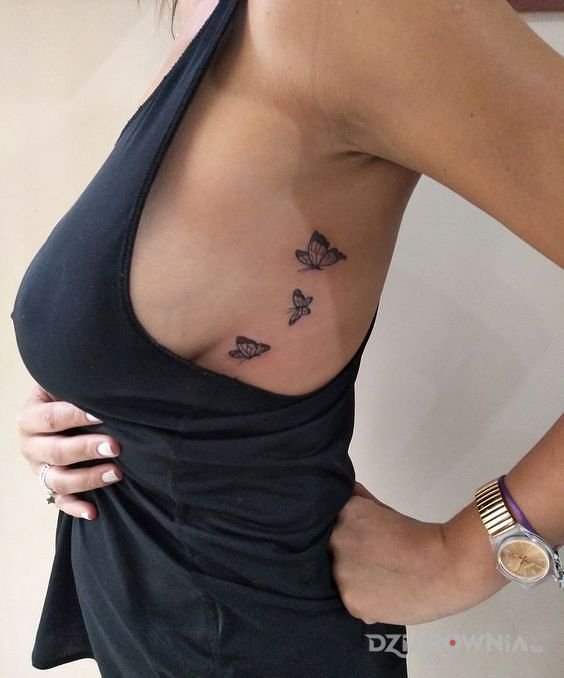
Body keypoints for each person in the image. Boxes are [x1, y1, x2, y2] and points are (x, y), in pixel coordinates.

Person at [12, 0, 564, 675]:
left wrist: (463, 556)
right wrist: (85, 407)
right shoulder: (209, 14)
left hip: (252, 643)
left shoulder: (334, 14)